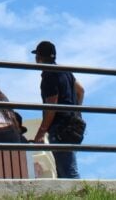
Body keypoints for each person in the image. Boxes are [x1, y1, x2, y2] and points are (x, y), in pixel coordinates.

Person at [31, 40, 84, 179]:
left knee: (68, 172)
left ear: (39, 58)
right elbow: (81, 90)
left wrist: (41, 133)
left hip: (60, 128)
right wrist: (76, 112)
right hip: (73, 126)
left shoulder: (49, 75)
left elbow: (51, 106)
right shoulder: (66, 72)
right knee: (64, 170)